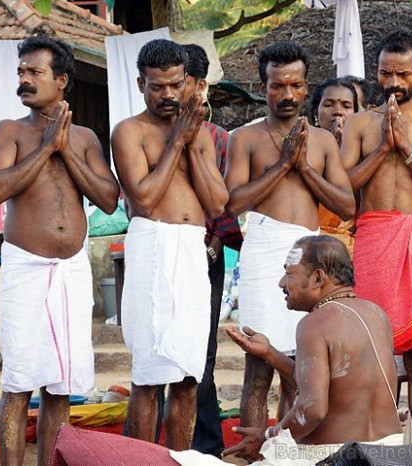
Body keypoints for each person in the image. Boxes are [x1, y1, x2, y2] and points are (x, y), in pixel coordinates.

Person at [0, 35, 119, 466]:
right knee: (18, 381)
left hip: (71, 270)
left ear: (61, 80)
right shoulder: (9, 131)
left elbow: (109, 199)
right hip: (26, 269)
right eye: (20, 72)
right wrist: (45, 149)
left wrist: (66, 150)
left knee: (61, 384)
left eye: (34, 72)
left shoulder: (83, 137)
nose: (23, 80)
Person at [223, 41, 355, 433]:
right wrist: (283, 166)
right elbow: (232, 204)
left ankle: (287, 452)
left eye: (295, 85)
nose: (287, 94)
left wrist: (306, 170)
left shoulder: (323, 140)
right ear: (262, 86)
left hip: (311, 256)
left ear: (306, 86)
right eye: (278, 85)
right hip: (265, 254)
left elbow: (347, 206)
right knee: (259, 365)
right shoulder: (244, 139)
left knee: (301, 366)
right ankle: (251, 455)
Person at [111, 38, 228, 450]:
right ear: (141, 82)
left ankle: (182, 461)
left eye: (176, 85)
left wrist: (192, 142)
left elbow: (216, 203)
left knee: (189, 375)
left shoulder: (201, 135)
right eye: (157, 86)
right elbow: (142, 199)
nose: (168, 94)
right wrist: (177, 140)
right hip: (152, 247)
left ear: (188, 83)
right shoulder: (129, 131)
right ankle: (142, 461)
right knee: (148, 375)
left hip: (193, 252)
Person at [341, 30, 412, 441]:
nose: (392, 82)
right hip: (372, 239)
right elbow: (342, 190)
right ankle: (376, 447)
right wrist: (381, 151)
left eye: (402, 74)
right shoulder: (358, 124)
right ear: (376, 71)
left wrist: (407, 149)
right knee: (371, 352)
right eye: (385, 73)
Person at [223, 235, 403, 463]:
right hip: (390, 452)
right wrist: (270, 354)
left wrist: (266, 436)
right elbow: (337, 386)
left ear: (318, 277)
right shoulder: (377, 314)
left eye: (289, 273)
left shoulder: (314, 323)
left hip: (336, 456)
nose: (282, 283)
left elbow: (312, 409)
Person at [183, 43, 244, 457]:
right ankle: (166, 438)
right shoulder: (141, 132)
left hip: (207, 252)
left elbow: (226, 204)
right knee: (163, 353)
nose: (171, 90)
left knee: (201, 352)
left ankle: (204, 442)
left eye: (181, 80)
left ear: (200, 85)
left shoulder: (221, 140)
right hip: (164, 252)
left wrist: (216, 241)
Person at [309, 77, 361, 254]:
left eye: (346, 106)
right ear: (316, 113)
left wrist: (341, 153)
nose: (338, 112)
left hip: (349, 251)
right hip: (308, 244)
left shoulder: (366, 155)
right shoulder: (300, 148)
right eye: (329, 104)